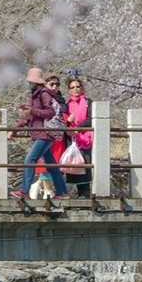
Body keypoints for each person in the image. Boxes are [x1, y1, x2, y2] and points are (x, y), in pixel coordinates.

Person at [10, 66, 67, 200]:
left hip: (45, 132)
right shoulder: (35, 95)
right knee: (50, 164)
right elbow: (31, 116)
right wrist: (16, 127)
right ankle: (62, 192)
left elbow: (50, 112)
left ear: (35, 82)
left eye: (30, 81)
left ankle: (24, 190)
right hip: (40, 132)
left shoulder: (43, 93)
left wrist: (32, 111)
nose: (28, 83)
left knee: (30, 160)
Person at [63, 76, 94, 197]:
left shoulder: (88, 102)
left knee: (84, 163)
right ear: (69, 90)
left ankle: (84, 191)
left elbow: (91, 119)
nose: (75, 89)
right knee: (73, 163)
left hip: (84, 136)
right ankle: (72, 191)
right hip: (72, 137)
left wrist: (78, 127)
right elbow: (63, 120)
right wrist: (68, 124)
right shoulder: (67, 105)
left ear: (81, 88)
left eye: (77, 87)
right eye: (72, 87)